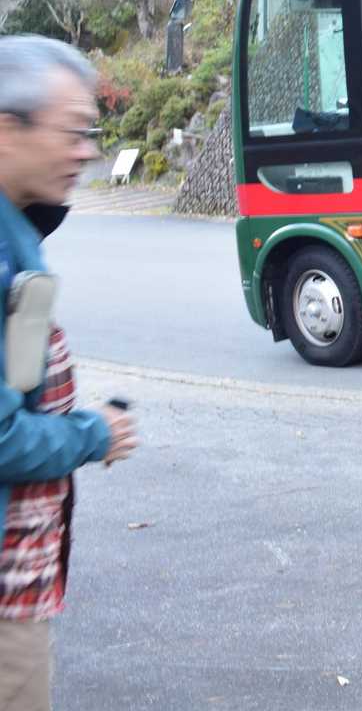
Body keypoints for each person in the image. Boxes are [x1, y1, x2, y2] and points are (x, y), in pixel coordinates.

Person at [0, 36, 138, 710]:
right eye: (73, 132)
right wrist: (94, 433)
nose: (86, 152)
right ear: (7, 130)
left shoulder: (17, 233)